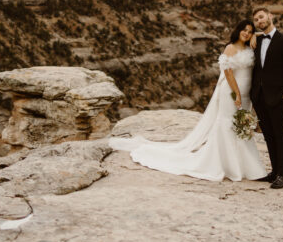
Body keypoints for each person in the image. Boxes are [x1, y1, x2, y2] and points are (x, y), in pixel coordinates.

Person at [108, 19, 268, 181]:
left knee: (241, 127)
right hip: (231, 93)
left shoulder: (250, 47)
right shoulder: (230, 48)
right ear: (238, 30)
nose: (246, 33)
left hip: (247, 95)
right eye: (244, 30)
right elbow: (228, 73)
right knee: (227, 125)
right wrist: (237, 94)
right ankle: (226, 165)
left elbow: (269, 35)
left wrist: (257, 34)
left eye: (249, 31)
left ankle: (243, 165)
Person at [250, 6, 283, 190]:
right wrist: (254, 33)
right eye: (256, 20)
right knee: (268, 136)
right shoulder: (258, 39)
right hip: (259, 97)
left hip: (277, 97)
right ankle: (274, 171)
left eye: (262, 17)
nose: (260, 21)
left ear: (270, 16)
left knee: (280, 135)